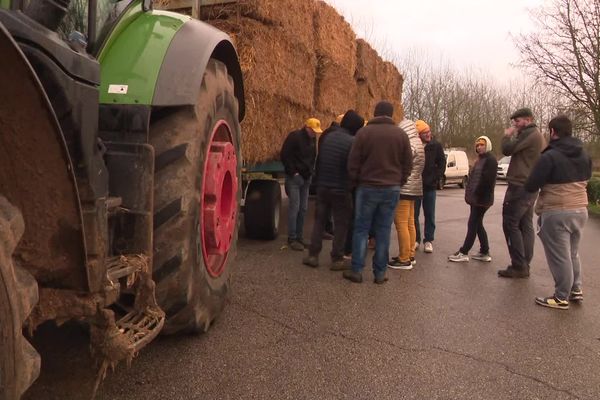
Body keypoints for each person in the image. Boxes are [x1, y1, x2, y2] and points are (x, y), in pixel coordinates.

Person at [524, 115, 592, 309]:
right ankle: (575, 289)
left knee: (560, 255)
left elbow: (531, 184)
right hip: (580, 210)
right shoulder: (583, 154)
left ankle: (561, 296)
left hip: (557, 211)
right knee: (572, 252)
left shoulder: (550, 156)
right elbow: (586, 176)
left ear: (553, 132)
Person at [343, 101, 413, 284]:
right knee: (383, 231)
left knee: (361, 229)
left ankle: (357, 270)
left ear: (375, 113)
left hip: (367, 187)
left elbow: (353, 161)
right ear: (391, 114)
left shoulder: (364, 133)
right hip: (391, 188)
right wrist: (400, 180)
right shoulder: (401, 135)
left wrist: (356, 182)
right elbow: (408, 163)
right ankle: (380, 273)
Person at [303, 110, 365, 270]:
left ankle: (313, 255)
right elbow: (352, 167)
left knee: (319, 221)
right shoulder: (352, 141)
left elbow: (320, 161)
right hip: (341, 189)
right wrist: (352, 184)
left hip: (323, 186)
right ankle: (337, 258)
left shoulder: (328, 137)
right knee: (341, 224)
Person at [497, 107, 545, 278]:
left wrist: (507, 134)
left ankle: (519, 265)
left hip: (519, 185)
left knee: (510, 223)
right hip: (531, 186)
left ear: (528, 119)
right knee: (525, 224)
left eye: (517, 121)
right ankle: (525, 262)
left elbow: (507, 149)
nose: (515, 125)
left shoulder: (529, 134)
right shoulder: (538, 135)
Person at [448, 136, 498, 262]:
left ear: (488, 146)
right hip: (475, 198)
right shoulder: (480, 159)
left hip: (482, 199)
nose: (479, 147)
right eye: (478, 145)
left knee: (473, 224)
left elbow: (487, 181)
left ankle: (464, 252)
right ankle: (484, 251)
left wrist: (478, 195)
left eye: (482, 144)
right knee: (478, 224)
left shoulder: (491, 160)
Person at [388, 119, 424, 269]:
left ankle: (404, 259)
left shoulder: (410, 145)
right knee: (410, 222)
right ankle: (410, 254)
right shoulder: (419, 144)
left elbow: (401, 163)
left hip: (405, 188)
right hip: (415, 189)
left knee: (401, 223)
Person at [280, 118, 319, 251]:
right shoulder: (295, 137)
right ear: (307, 128)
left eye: (316, 132)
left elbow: (313, 156)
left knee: (303, 209)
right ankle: (292, 238)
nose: (315, 134)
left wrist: (311, 171)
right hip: (295, 178)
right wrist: (293, 173)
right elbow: (285, 155)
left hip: (306, 178)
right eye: (313, 131)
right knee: (294, 208)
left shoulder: (313, 139)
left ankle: (300, 237)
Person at [414, 120, 445, 254]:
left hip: (430, 186)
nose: (428, 134)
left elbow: (442, 162)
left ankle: (428, 240)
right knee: (414, 215)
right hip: (416, 186)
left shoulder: (436, 146)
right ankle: (416, 239)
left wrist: (436, 177)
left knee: (429, 214)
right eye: (425, 133)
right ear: (419, 135)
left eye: (428, 132)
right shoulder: (415, 146)